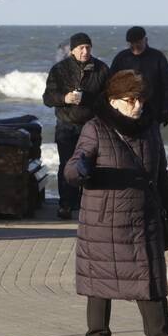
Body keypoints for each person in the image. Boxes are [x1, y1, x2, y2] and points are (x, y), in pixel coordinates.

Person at [65, 70, 168, 336]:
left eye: (140, 99)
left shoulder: (150, 128)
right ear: (114, 100)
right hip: (105, 218)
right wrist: (79, 171)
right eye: (131, 100)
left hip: (145, 216)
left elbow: (162, 175)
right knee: (100, 280)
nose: (137, 105)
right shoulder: (95, 128)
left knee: (151, 278)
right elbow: (72, 167)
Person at [43, 32, 110, 219]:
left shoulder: (101, 69)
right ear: (72, 50)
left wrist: (87, 98)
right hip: (66, 124)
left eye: (88, 47)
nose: (85, 51)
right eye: (81, 48)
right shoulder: (60, 69)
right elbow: (47, 98)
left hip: (92, 126)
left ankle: (88, 205)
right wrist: (64, 98)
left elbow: (109, 99)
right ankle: (65, 204)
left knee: (90, 165)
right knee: (66, 164)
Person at [110, 26, 168, 127]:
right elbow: (111, 85)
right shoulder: (121, 58)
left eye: (138, 42)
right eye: (132, 43)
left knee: (151, 141)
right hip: (126, 112)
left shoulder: (157, 57)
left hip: (153, 112)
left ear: (145, 40)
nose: (135, 45)